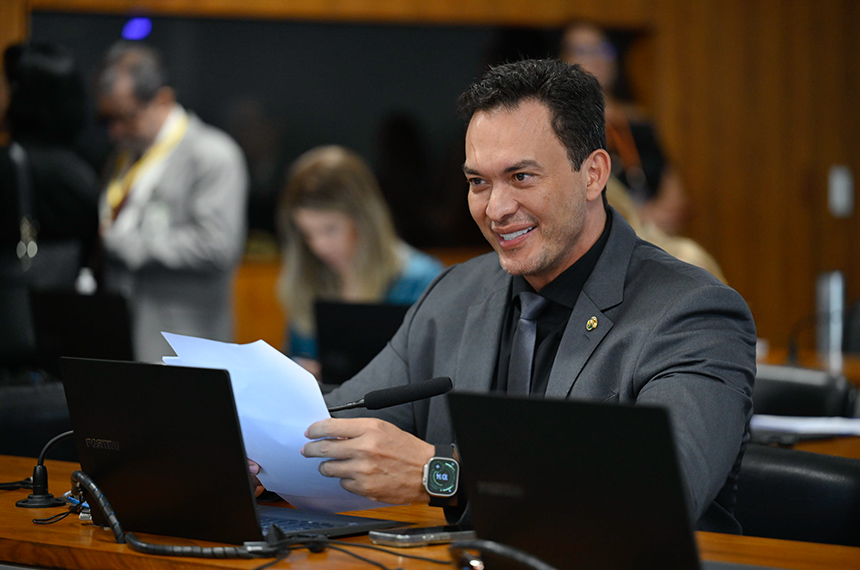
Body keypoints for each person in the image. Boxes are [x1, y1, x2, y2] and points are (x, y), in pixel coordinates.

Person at [259, 59, 754, 534]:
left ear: (594, 174)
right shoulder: (454, 294)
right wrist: (260, 456)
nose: (495, 208)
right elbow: (334, 426)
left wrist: (440, 476)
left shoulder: (692, 313)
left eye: (521, 177)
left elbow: (656, 497)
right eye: (478, 182)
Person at [94, 41, 248, 363]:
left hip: (187, 343)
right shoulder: (124, 155)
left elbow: (216, 245)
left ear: (162, 99)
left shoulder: (212, 154)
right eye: (107, 119)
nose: (116, 131)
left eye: (126, 117)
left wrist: (129, 245)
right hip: (125, 333)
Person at [276, 145, 443, 379]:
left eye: (330, 229)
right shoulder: (308, 279)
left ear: (364, 219)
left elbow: (434, 373)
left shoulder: (421, 280)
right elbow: (296, 357)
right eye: (307, 234)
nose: (319, 246)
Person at [0, 42, 100, 372]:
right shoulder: (82, 165)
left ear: (22, 93)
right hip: (64, 332)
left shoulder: (12, 165)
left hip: (12, 334)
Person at [560, 22, 689, 235]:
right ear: (564, 59)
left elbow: (677, 197)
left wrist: (651, 217)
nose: (596, 58)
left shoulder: (639, 120)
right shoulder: (560, 124)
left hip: (654, 237)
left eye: (604, 49)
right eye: (583, 50)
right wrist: (638, 217)